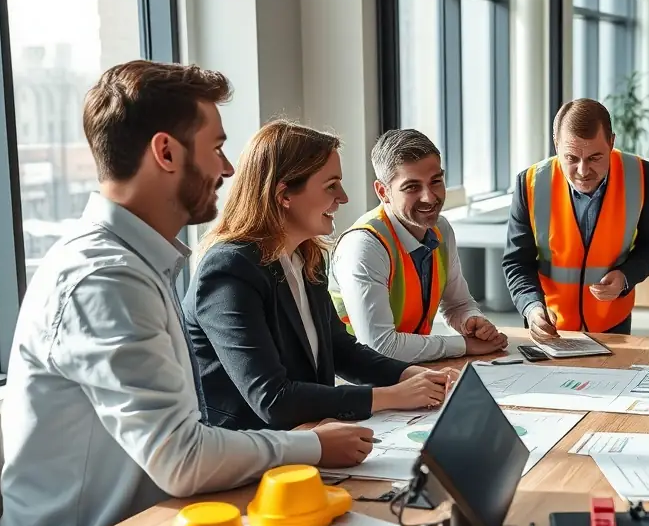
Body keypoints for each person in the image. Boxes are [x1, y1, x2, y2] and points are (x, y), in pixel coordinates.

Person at [0, 62, 373, 526]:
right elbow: (182, 457)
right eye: (216, 147)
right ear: (166, 153)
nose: (229, 169)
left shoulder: (139, 264)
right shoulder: (104, 280)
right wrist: (315, 444)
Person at [184, 120, 457, 432]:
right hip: (248, 460)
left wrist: (407, 375)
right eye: (331, 186)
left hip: (310, 436)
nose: (343, 197)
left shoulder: (305, 255)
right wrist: (389, 396)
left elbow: (341, 349)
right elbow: (273, 400)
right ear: (284, 194)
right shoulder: (229, 271)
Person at [328, 129, 508, 363]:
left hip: (413, 371)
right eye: (412, 187)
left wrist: (471, 320)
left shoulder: (440, 229)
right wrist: (464, 345)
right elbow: (380, 346)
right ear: (383, 192)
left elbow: (458, 303)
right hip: (361, 384)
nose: (430, 197)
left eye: (436, 181)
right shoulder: (364, 245)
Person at [503, 98, 649, 338]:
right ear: (556, 144)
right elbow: (516, 262)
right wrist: (531, 307)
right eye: (571, 158)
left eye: (594, 157)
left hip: (613, 321)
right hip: (549, 323)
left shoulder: (642, 176)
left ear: (612, 142)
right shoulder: (530, 184)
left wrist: (625, 277)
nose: (583, 171)